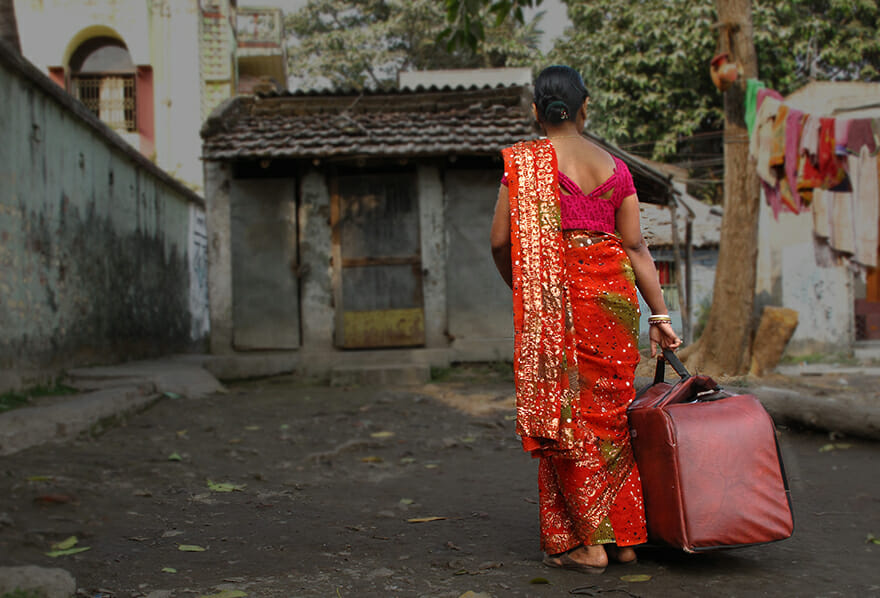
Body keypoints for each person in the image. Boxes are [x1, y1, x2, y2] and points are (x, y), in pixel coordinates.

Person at [490, 65, 682, 573]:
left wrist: (527, 289)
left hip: (559, 303)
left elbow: (499, 241)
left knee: (566, 420)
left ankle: (589, 545)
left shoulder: (525, 165)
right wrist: (659, 315)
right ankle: (625, 539)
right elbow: (637, 247)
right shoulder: (616, 168)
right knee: (611, 419)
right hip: (615, 302)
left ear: (536, 112)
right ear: (585, 107)